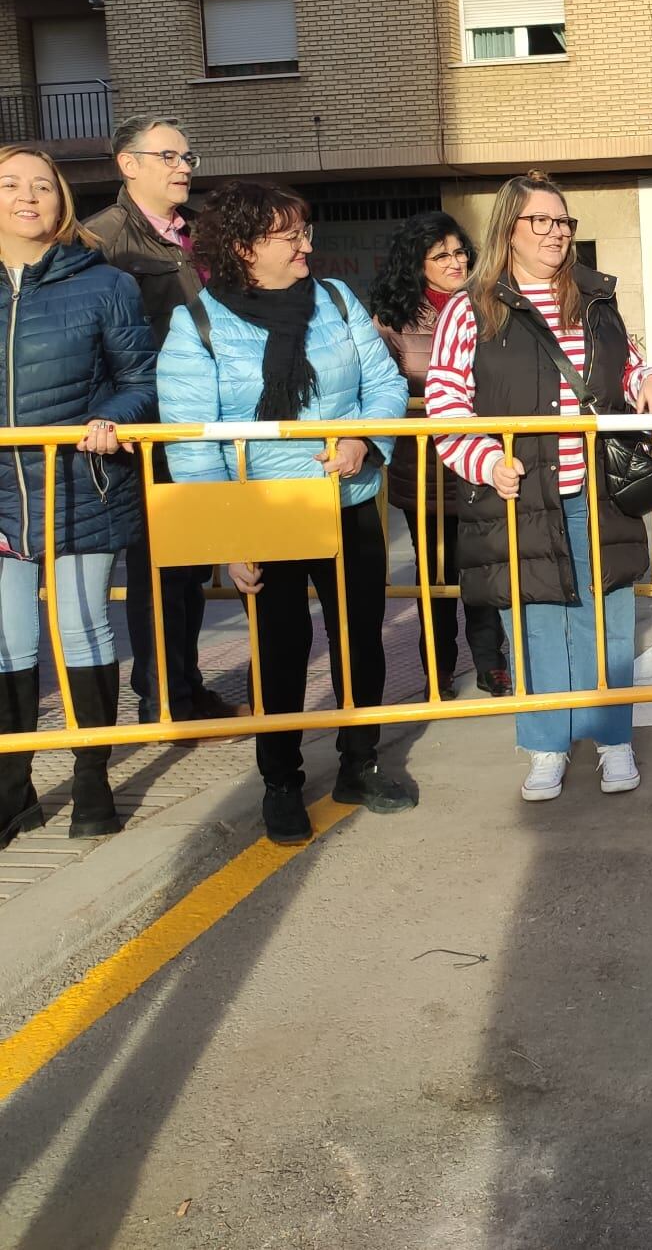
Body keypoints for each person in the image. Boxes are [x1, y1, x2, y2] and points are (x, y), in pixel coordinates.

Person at [158, 181, 415, 846]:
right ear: (244, 247)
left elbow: (384, 383)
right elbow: (191, 440)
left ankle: (360, 765)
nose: (307, 245)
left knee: (362, 638)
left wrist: (363, 436)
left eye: (306, 231)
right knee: (279, 651)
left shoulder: (334, 300)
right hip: (263, 511)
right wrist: (228, 536)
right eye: (289, 235)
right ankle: (280, 782)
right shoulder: (200, 323)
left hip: (346, 503)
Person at [427, 172, 652, 800]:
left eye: (563, 222)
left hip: (601, 492)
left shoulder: (596, 299)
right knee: (534, 628)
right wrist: (486, 461)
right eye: (541, 221)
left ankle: (613, 741)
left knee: (610, 621)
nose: (555, 233)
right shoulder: (470, 308)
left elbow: (632, 361)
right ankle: (545, 748)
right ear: (509, 230)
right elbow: (446, 403)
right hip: (518, 497)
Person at [0, 147, 155, 846]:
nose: (27, 197)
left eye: (42, 186)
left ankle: (92, 783)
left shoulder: (106, 284)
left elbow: (140, 382)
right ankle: (14, 792)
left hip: (78, 489)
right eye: (9, 185)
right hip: (2, 498)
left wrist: (112, 421)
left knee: (84, 626)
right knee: (7, 643)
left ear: (62, 201)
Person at [83, 116, 245, 735]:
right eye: (169, 155)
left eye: (187, 156)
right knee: (159, 571)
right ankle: (161, 698)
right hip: (147, 428)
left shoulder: (197, 235)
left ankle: (186, 688)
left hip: (203, 421)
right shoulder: (99, 239)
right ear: (129, 165)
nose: (184, 167)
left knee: (192, 569)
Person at [368, 211, 510, 700]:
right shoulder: (391, 319)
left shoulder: (489, 304)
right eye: (441, 255)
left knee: (486, 570)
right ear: (416, 264)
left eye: (460, 252)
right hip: (423, 468)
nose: (457, 262)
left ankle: (493, 665)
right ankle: (439, 668)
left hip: (484, 459)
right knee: (435, 575)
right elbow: (380, 386)